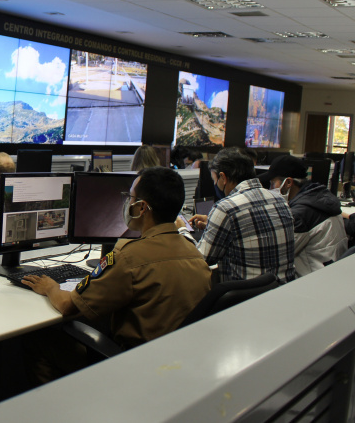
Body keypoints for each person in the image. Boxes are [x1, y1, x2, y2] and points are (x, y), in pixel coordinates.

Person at [22, 167, 211, 382]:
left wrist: (50, 287)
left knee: (39, 338)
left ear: (141, 207)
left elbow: (68, 306)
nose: (126, 204)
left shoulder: (130, 257)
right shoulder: (195, 254)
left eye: (129, 197)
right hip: (175, 368)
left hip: (133, 369)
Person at [189, 147, 296, 283]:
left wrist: (183, 230)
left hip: (244, 298)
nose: (215, 185)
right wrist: (213, 223)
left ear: (223, 177)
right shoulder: (280, 200)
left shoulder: (226, 207)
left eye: (215, 180)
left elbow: (200, 260)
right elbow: (256, 228)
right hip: (280, 291)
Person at [259, 155, 347, 276]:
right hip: (331, 271)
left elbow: (277, 256)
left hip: (312, 280)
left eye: (273, 183)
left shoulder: (301, 214)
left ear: (288, 182)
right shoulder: (320, 197)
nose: (271, 188)